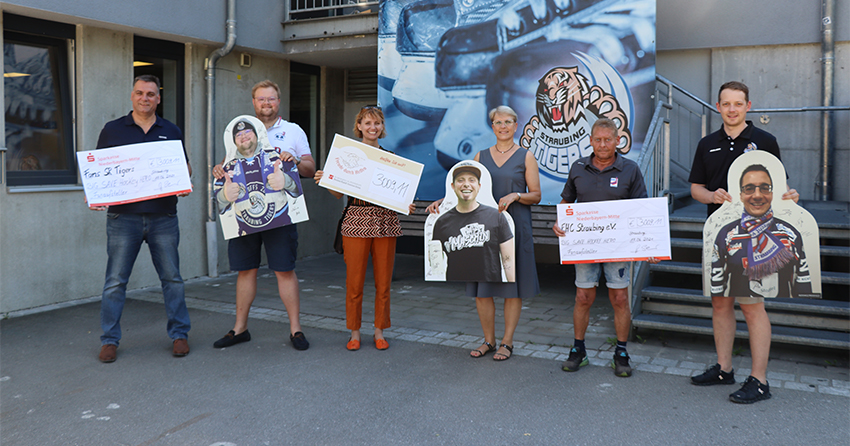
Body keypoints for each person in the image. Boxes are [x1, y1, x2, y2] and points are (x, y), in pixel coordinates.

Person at [688, 81, 800, 404]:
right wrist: (711, 195)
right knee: (720, 303)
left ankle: (759, 380)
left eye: (738, 103)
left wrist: (790, 198)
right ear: (718, 107)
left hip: (756, 236)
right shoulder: (707, 144)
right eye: (726, 104)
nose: (732, 109)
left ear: (748, 106)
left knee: (752, 306)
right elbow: (696, 188)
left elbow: (780, 188)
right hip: (718, 234)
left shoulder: (765, 141)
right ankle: (724, 369)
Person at [91, 75, 192, 363]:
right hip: (123, 218)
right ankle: (109, 340)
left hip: (163, 216)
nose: (144, 98)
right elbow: (98, 170)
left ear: (158, 98)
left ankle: (180, 335)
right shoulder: (112, 130)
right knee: (115, 281)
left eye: (150, 94)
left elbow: (185, 168)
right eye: (139, 93)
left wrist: (183, 180)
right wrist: (95, 193)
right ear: (132, 96)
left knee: (172, 279)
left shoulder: (171, 130)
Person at [211, 80, 316, 351]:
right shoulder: (239, 130)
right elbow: (228, 165)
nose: (266, 103)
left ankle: (296, 330)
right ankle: (240, 328)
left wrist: (294, 159)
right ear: (253, 102)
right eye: (261, 99)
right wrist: (219, 170)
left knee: (284, 270)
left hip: (280, 214)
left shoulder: (293, 130)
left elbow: (309, 168)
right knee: (246, 270)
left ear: (278, 101)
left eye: (271, 98)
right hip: (245, 214)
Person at [429, 107, 537, 362]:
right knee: (482, 289)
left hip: (513, 227)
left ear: (516, 125)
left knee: (512, 288)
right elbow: (466, 188)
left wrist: (516, 195)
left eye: (508, 122)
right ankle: (489, 340)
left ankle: (507, 342)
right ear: (492, 126)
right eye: (498, 122)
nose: (503, 126)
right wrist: (444, 202)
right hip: (482, 229)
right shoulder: (480, 156)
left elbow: (536, 194)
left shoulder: (526, 156)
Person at [552, 118, 658, 377]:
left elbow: (641, 210)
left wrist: (649, 244)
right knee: (582, 297)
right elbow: (567, 201)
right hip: (585, 246)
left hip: (618, 247)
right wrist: (559, 221)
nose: (602, 145)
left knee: (620, 298)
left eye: (607, 140)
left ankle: (621, 352)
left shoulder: (630, 169)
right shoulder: (578, 167)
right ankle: (578, 349)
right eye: (597, 140)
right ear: (590, 141)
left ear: (617, 141)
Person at [313, 106, 415, 351]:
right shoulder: (347, 155)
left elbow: (400, 193)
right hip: (356, 220)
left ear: (382, 127)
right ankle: (354, 332)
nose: (373, 127)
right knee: (354, 282)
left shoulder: (392, 158)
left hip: (385, 221)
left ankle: (379, 331)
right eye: (368, 123)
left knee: (384, 283)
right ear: (359, 126)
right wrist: (325, 180)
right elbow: (338, 193)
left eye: (377, 123)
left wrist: (407, 204)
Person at [712, 164, 812, 298]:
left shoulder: (790, 234)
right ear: (741, 195)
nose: (757, 195)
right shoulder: (726, 235)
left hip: (782, 309)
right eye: (749, 189)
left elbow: (803, 286)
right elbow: (716, 287)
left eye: (765, 188)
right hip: (739, 309)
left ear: (772, 194)